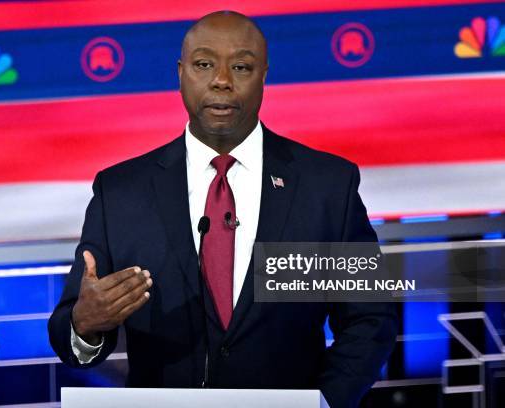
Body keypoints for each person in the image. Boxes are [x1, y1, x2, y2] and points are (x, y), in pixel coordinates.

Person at [48, 10, 398, 408]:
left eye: (241, 67)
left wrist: (324, 402)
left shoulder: (327, 186)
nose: (221, 80)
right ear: (180, 73)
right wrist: (85, 325)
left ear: (264, 75)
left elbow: (371, 320)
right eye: (204, 64)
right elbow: (68, 333)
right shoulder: (121, 192)